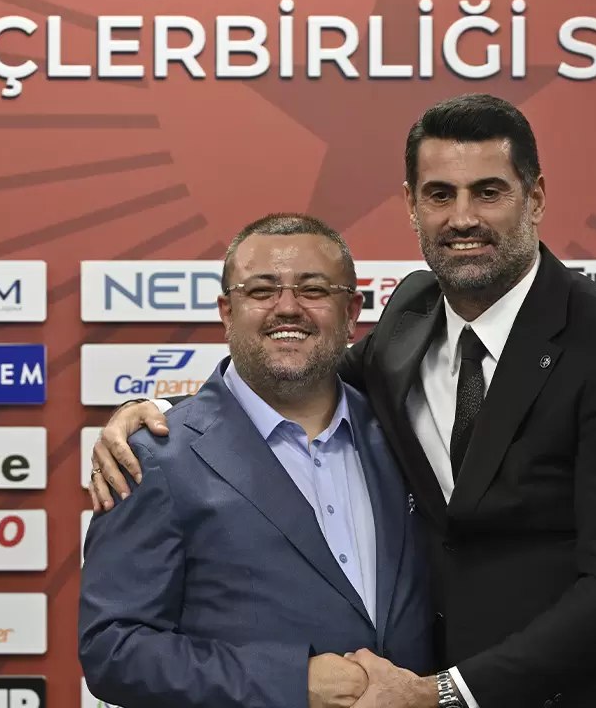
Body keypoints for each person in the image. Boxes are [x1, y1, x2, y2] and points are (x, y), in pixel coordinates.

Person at [88, 94, 596, 708]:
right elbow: (294, 371)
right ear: (411, 204)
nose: (463, 218)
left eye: (489, 192)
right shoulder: (409, 317)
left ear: (535, 197)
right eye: (440, 194)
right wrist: (162, 418)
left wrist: (440, 694)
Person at [78, 215, 436, 707]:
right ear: (227, 312)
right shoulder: (155, 457)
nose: (287, 308)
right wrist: (289, 682)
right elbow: (113, 650)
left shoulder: (405, 431)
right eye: (262, 291)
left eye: (314, 289)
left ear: (352, 311)